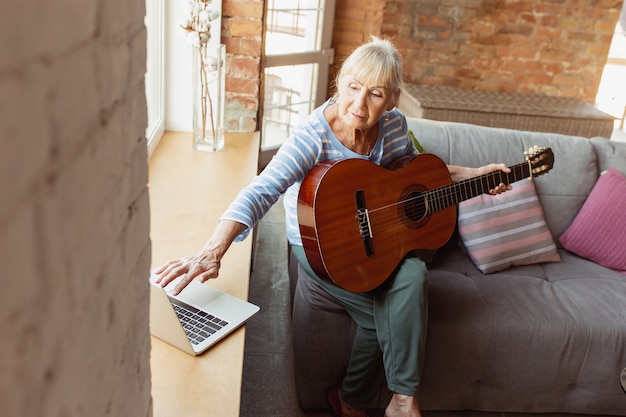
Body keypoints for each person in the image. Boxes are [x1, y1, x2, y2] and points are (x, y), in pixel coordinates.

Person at [155, 36, 511, 417]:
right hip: (317, 245)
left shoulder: (393, 127)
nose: (358, 105)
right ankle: (367, 401)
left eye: (375, 94)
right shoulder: (312, 136)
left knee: (413, 272)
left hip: (379, 239)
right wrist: (212, 250)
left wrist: (476, 174)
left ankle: (394, 401)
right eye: (353, 87)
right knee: (390, 311)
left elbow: (416, 173)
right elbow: (263, 187)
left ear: (391, 101)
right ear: (339, 82)